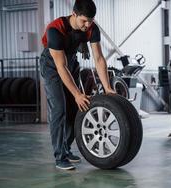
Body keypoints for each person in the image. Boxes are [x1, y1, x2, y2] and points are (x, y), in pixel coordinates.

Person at [40, 0, 115, 170]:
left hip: (71, 62)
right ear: (74, 14)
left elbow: (99, 58)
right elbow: (60, 66)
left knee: (77, 108)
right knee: (60, 108)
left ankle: (66, 149)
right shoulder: (55, 29)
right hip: (53, 65)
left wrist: (108, 88)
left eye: (91, 20)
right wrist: (77, 93)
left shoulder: (91, 27)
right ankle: (60, 157)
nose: (87, 25)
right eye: (84, 21)